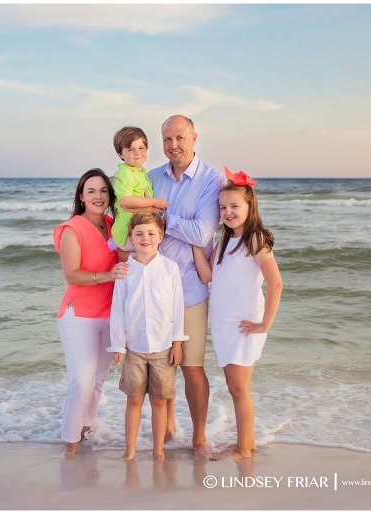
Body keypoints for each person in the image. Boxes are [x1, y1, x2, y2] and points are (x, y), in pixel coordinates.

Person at [147, 115, 225, 458]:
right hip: (155, 287)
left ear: (194, 137)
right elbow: (139, 227)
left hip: (192, 289)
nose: (173, 146)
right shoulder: (151, 179)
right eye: (167, 140)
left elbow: (202, 233)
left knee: (192, 366)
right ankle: (167, 429)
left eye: (179, 138)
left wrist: (164, 220)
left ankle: (199, 437)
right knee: (159, 363)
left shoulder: (212, 180)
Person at [195, 167, 284, 460]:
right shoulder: (223, 242)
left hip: (244, 324)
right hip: (223, 324)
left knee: (238, 388)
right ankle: (248, 443)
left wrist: (264, 323)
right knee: (235, 387)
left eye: (235, 206)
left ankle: (244, 448)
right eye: (223, 207)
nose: (228, 212)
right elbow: (208, 276)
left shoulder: (256, 240)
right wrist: (196, 243)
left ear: (249, 206)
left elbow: (276, 282)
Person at [53, 168, 129, 456]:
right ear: (82, 197)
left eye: (103, 191)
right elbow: (72, 275)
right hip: (79, 316)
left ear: (110, 196)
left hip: (110, 315)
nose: (98, 196)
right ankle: (70, 443)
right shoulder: (72, 229)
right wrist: (108, 275)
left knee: (97, 380)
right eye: (91, 191)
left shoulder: (113, 225)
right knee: (81, 380)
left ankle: (85, 428)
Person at [108, 212, 188, 460]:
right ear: (131, 237)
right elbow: (118, 310)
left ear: (161, 237)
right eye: (139, 234)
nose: (145, 238)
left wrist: (177, 343)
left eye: (151, 233)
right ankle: (129, 451)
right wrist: (118, 345)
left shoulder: (170, 268)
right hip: (134, 348)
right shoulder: (125, 271)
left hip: (164, 348)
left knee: (159, 401)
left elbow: (178, 307)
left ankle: (158, 450)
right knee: (133, 400)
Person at [109, 126, 169, 261]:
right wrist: (154, 202)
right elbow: (126, 201)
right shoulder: (125, 173)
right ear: (120, 154)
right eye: (131, 149)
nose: (137, 153)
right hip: (127, 232)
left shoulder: (141, 172)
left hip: (136, 229)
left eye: (141, 148)